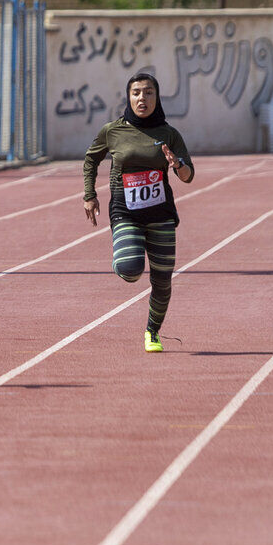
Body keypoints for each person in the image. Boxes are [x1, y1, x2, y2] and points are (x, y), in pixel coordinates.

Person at [82, 73, 194, 353]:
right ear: (128, 97)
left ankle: (152, 332)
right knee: (130, 270)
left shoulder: (169, 134)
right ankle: (123, 256)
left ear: (157, 97)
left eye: (148, 93)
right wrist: (89, 195)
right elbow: (91, 158)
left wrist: (177, 163)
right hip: (125, 209)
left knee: (162, 279)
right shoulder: (113, 131)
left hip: (161, 213)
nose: (142, 98)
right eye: (136, 93)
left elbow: (188, 175)